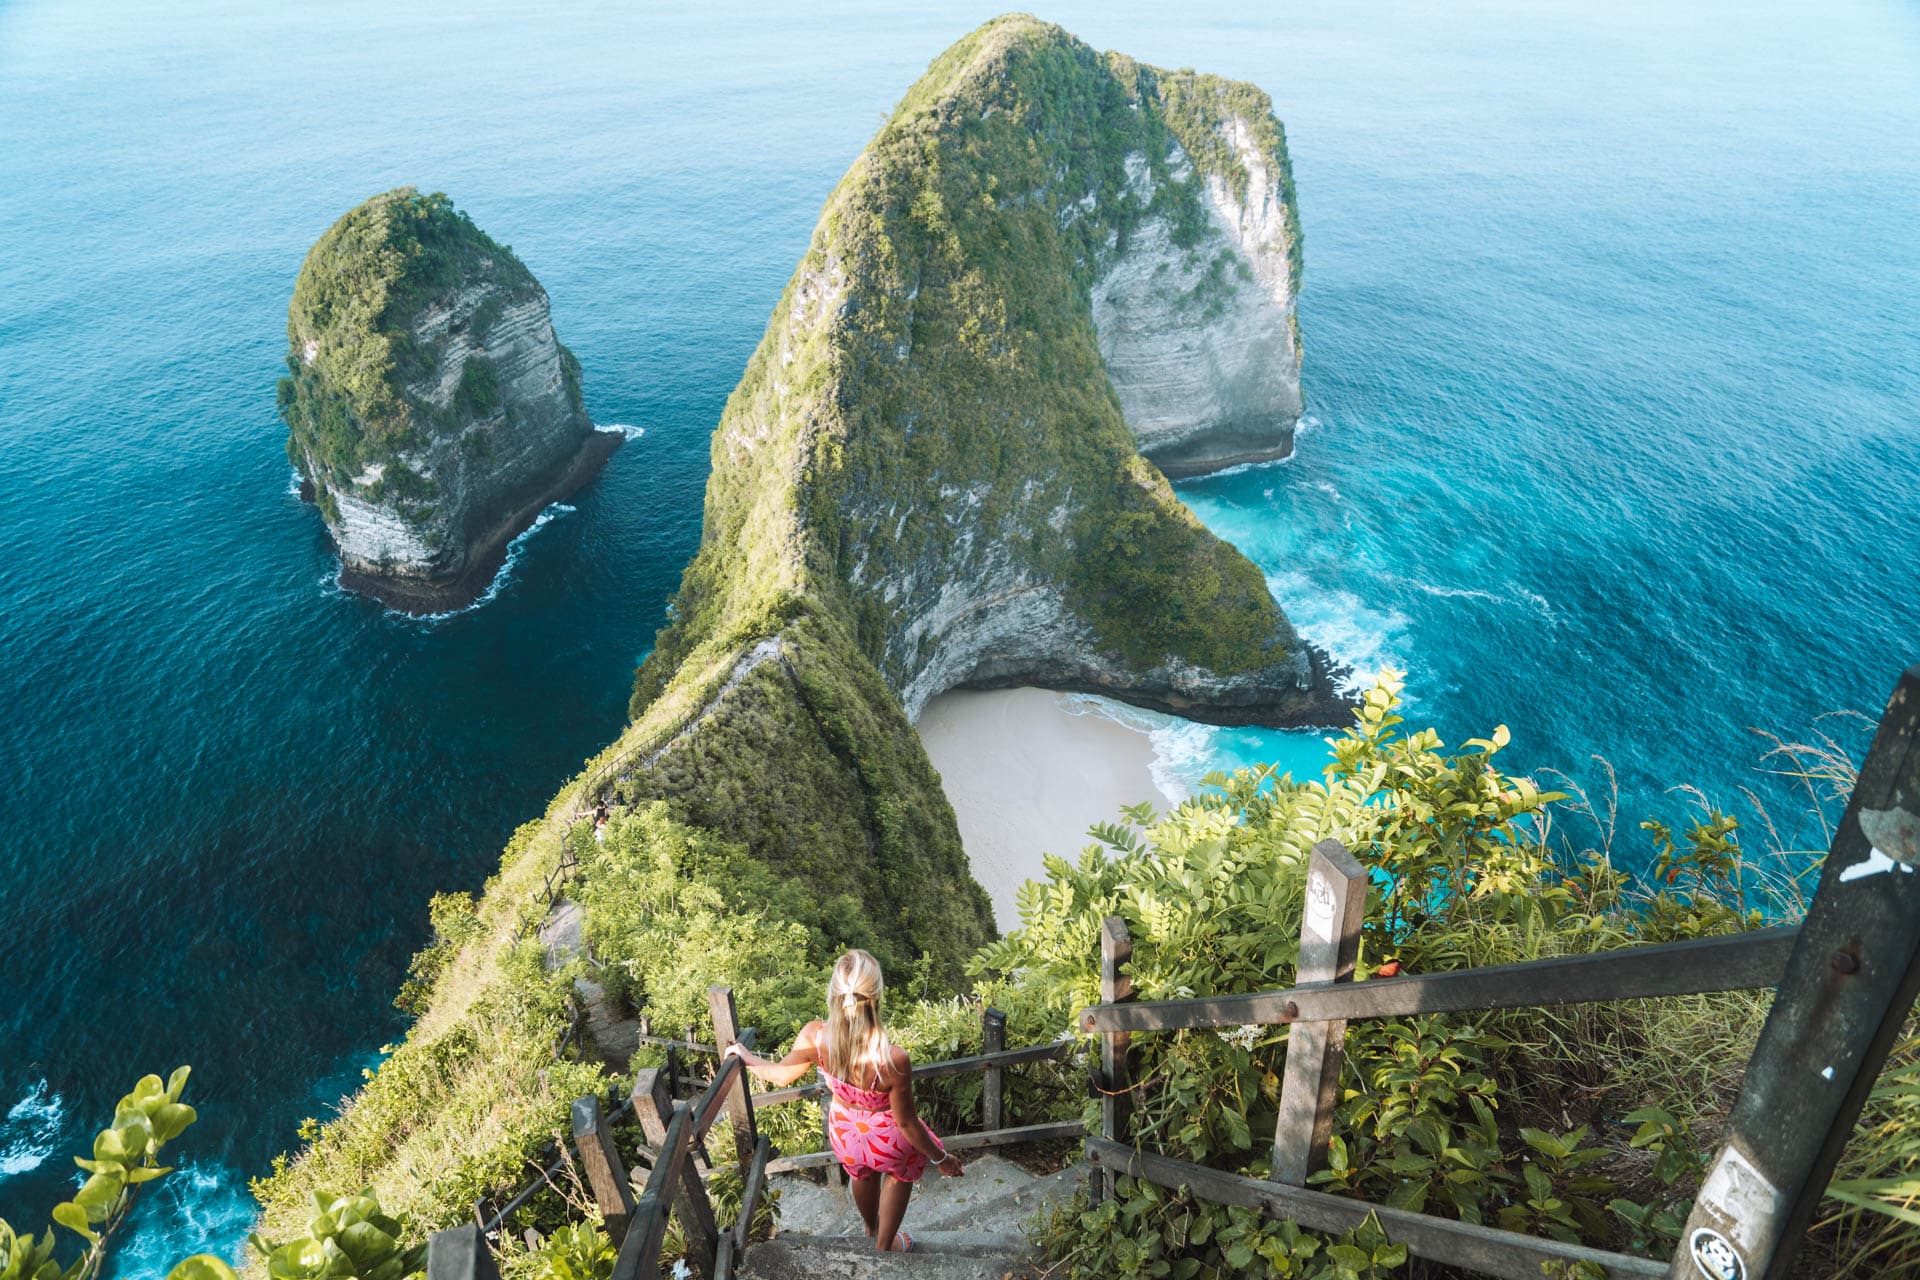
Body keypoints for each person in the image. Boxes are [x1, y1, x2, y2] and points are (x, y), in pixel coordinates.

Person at [724, 950, 962, 1252]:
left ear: (834, 995)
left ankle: (870, 1228)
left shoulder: (815, 1037)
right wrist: (941, 1158)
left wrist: (747, 1057)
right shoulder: (893, 1059)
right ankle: (884, 1245)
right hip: (887, 1138)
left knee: (860, 1173)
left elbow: (781, 1076)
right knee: (900, 1175)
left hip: (846, 1132)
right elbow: (907, 1123)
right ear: (876, 998)